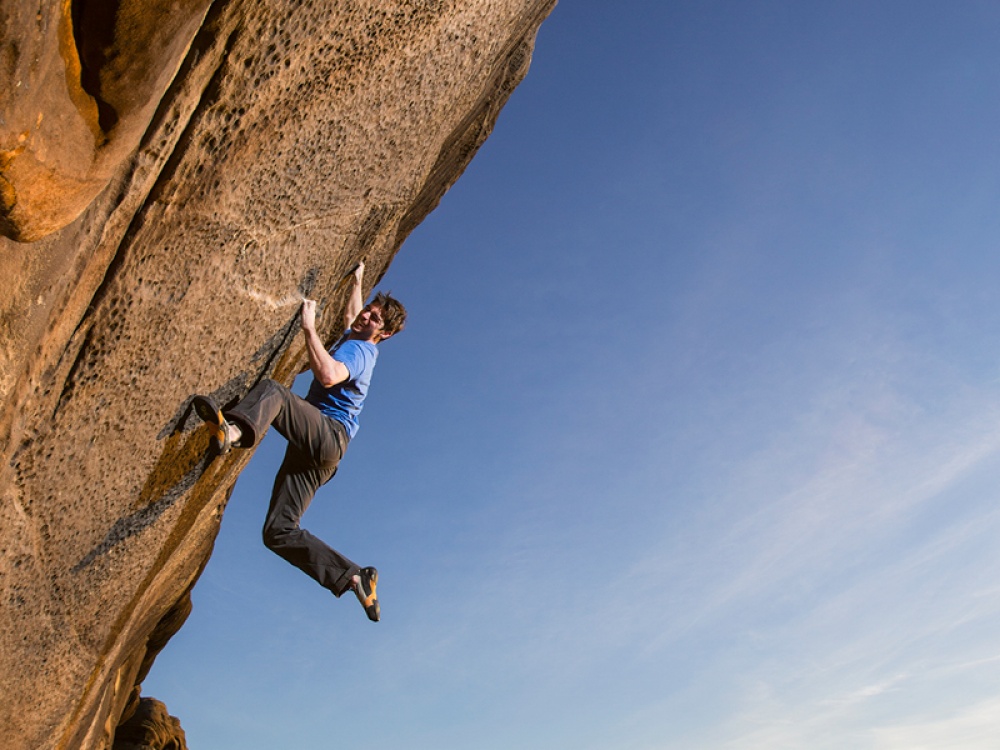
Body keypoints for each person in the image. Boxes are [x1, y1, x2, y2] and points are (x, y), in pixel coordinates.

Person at [192, 262, 406, 622]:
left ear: (382, 334)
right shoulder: (360, 337)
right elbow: (353, 316)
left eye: (374, 319)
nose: (366, 316)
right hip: (323, 456)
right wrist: (357, 280)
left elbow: (328, 375)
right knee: (278, 531)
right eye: (369, 310)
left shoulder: (360, 351)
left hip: (327, 435)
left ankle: (232, 432)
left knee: (274, 392)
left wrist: (308, 327)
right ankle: (353, 577)